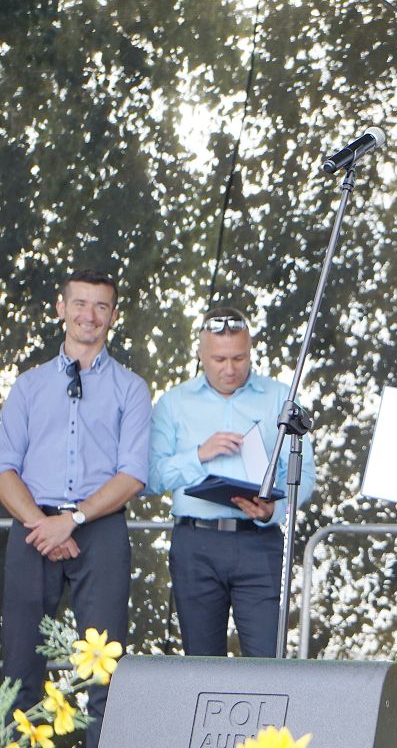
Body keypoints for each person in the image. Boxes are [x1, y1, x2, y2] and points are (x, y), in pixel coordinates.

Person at [0, 268, 151, 747]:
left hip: (99, 530)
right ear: (61, 309)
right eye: (80, 303)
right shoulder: (28, 386)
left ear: (114, 315)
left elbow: (133, 474)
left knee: (106, 669)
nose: (90, 315)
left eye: (101, 306)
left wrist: (74, 520)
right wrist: (42, 524)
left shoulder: (131, 388)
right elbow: (3, 467)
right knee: (19, 667)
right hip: (33, 528)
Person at [149, 307, 316, 658]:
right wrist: (199, 455)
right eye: (219, 359)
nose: (230, 368)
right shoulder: (174, 402)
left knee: (268, 660)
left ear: (251, 350)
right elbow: (152, 478)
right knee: (201, 662)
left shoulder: (279, 397)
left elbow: (304, 476)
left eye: (239, 358)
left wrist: (273, 510)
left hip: (258, 542)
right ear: (200, 354)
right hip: (195, 543)